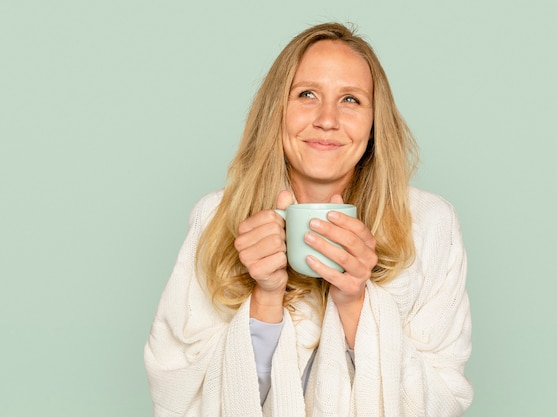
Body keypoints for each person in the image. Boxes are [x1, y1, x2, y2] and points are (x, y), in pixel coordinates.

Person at [144, 22, 473, 416]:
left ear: (373, 123)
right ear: (277, 110)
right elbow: (175, 390)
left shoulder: (430, 224)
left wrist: (355, 302)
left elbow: (444, 399)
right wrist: (265, 297)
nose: (327, 120)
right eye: (307, 94)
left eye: (350, 99)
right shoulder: (216, 218)